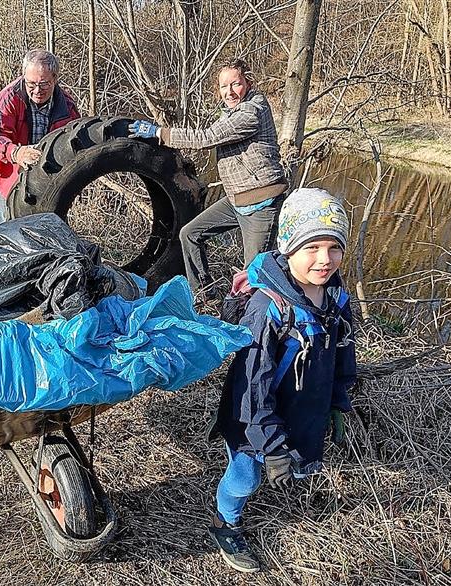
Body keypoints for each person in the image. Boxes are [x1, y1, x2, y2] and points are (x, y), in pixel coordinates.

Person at [207, 188, 356, 573]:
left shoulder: (337, 298)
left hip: (303, 407)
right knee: (245, 476)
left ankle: (276, 463)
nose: (325, 260)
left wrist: (339, 400)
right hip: (254, 419)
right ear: (288, 247)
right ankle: (226, 521)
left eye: (334, 247)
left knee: (287, 462)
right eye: (312, 247)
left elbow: (342, 352)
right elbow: (250, 388)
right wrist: (271, 445)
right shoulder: (268, 309)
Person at [128, 57, 286, 296]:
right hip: (237, 199)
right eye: (224, 86)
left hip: (260, 203)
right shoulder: (232, 112)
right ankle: (204, 294)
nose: (229, 92)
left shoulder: (251, 112)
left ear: (249, 83)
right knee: (190, 234)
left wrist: (159, 133)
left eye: (236, 84)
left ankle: (249, 321)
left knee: (252, 279)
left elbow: (206, 138)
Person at [0, 49, 80, 224]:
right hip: (10, 176)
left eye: (44, 84)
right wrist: (15, 152)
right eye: (31, 84)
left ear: (55, 78)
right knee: (9, 226)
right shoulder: (8, 98)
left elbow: (75, 141)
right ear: (23, 77)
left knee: (47, 227)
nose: (37, 90)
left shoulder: (67, 106)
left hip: (48, 179)